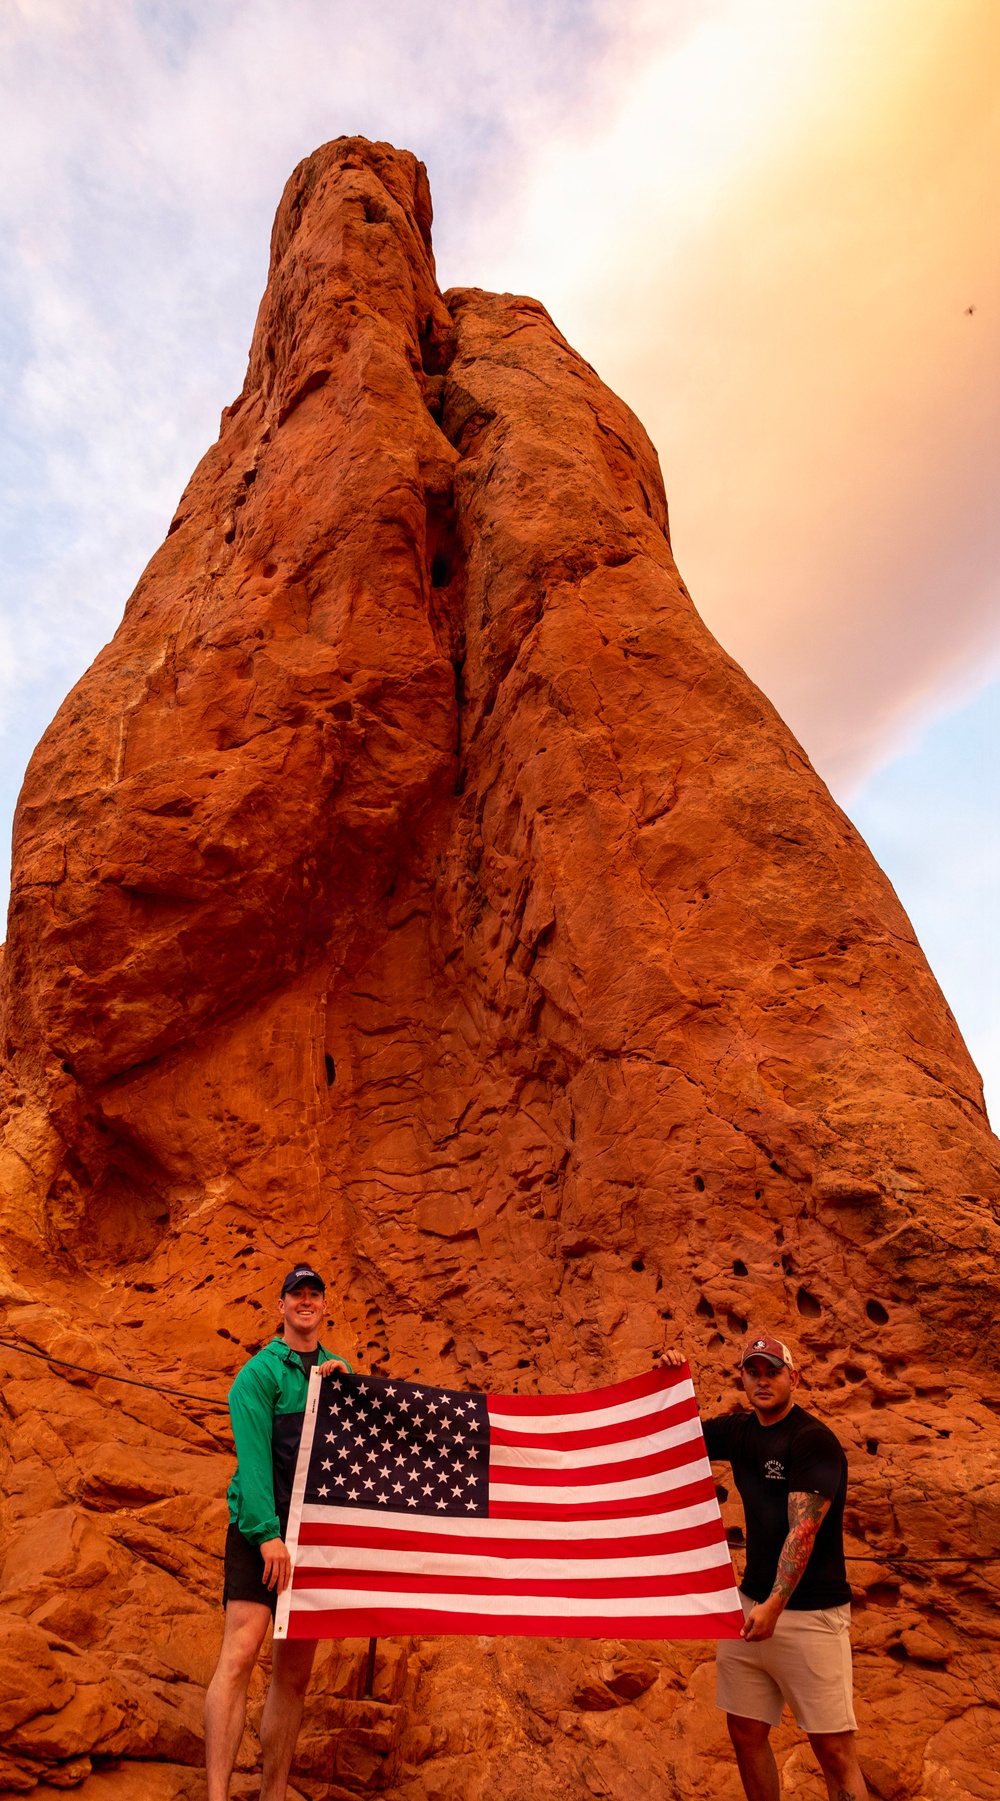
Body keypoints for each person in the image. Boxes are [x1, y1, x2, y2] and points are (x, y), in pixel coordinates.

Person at [664, 1333, 868, 1801]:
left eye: (772, 1372)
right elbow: (675, 1434)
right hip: (748, 1607)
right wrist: (668, 1381)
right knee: (745, 1733)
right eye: (753, 1372)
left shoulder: (812, 1440)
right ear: (742, 1377)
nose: (762, 1381)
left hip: (809, 1614)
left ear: (793, 1378)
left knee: (834, 1751)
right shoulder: (738, 1431)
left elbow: (803, 1531)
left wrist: (775, 1604)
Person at [204, 1265, 353, 1801]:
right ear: (282, 1307)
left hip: (310, 1538)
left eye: (314, 1294)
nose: (305, 1302)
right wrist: (268, 1535)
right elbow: (252, 1461)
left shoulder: (338, 1373)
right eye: (297, 1295)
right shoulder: (259, 1374)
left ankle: (275, 1794)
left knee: (293, 1676)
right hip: (259, 1534)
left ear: (325, 1306)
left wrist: (347, 1389)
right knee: (240, 1655)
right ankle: (216, 1796)